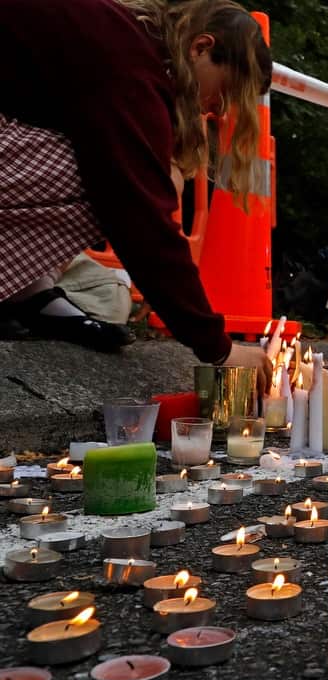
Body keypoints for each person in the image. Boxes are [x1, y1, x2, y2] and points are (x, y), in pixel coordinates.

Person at [0, 0, 273, 389]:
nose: (217, 108)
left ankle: (26, 291)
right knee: (123, 176)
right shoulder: (129, 67)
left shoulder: (128, 42)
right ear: (199, 47)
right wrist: (219, 348)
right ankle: (18, 292)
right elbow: (141, 221)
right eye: (224, 91)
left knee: (141, 171)